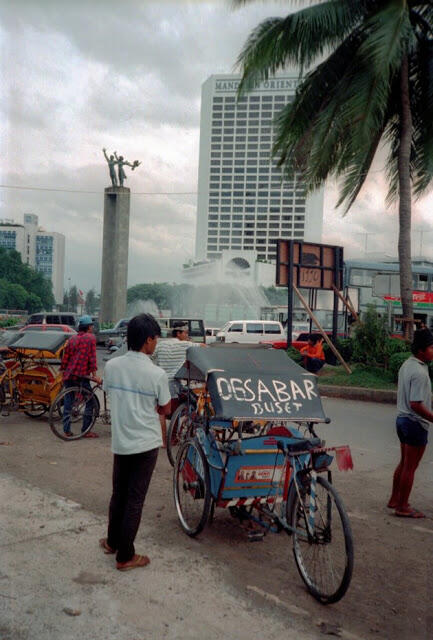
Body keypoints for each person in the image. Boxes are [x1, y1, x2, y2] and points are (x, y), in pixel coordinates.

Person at [100, 313, 171, 571]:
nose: (156, 345)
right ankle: (125, 556)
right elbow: (165, 408)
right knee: (135, 499)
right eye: (156, 340)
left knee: (119, 494)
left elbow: (109, 390)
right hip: (145, 444)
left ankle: (112, 542)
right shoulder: (156, 374)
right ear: (148, 340)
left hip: (121, 441)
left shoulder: (112, 366)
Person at [388, 328, 433, 518]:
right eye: (432, 347)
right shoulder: (420, 373)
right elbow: (416, 404)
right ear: (421, 350)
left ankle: (394, 499)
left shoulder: (407, 365)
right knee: (410, 466)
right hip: (415, 422)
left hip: (402, 420)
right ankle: (403, 506)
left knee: (404, 463)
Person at [152, 322, 203, 446]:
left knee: (162, 413)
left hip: (160, 383)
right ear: (178, 333)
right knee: (182, 408)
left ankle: (164, 441)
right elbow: (203, 346)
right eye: (185, 332)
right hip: (174, 384)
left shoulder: (161, 345)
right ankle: (173, 438)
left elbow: (152, 358)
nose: (187, 335)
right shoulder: (185, 345)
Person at [60, 314, 102, 438]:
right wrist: (95, 376)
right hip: (81, 375)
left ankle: (66, 430)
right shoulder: (90, 338)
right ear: (88, 327)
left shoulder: (72, 339)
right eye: (91, 326)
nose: (92, 328)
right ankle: (86, 430)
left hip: (69, 374)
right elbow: (92, 358)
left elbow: (65, 357)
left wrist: (63, 370)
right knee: (90, 401)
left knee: (68, 401)